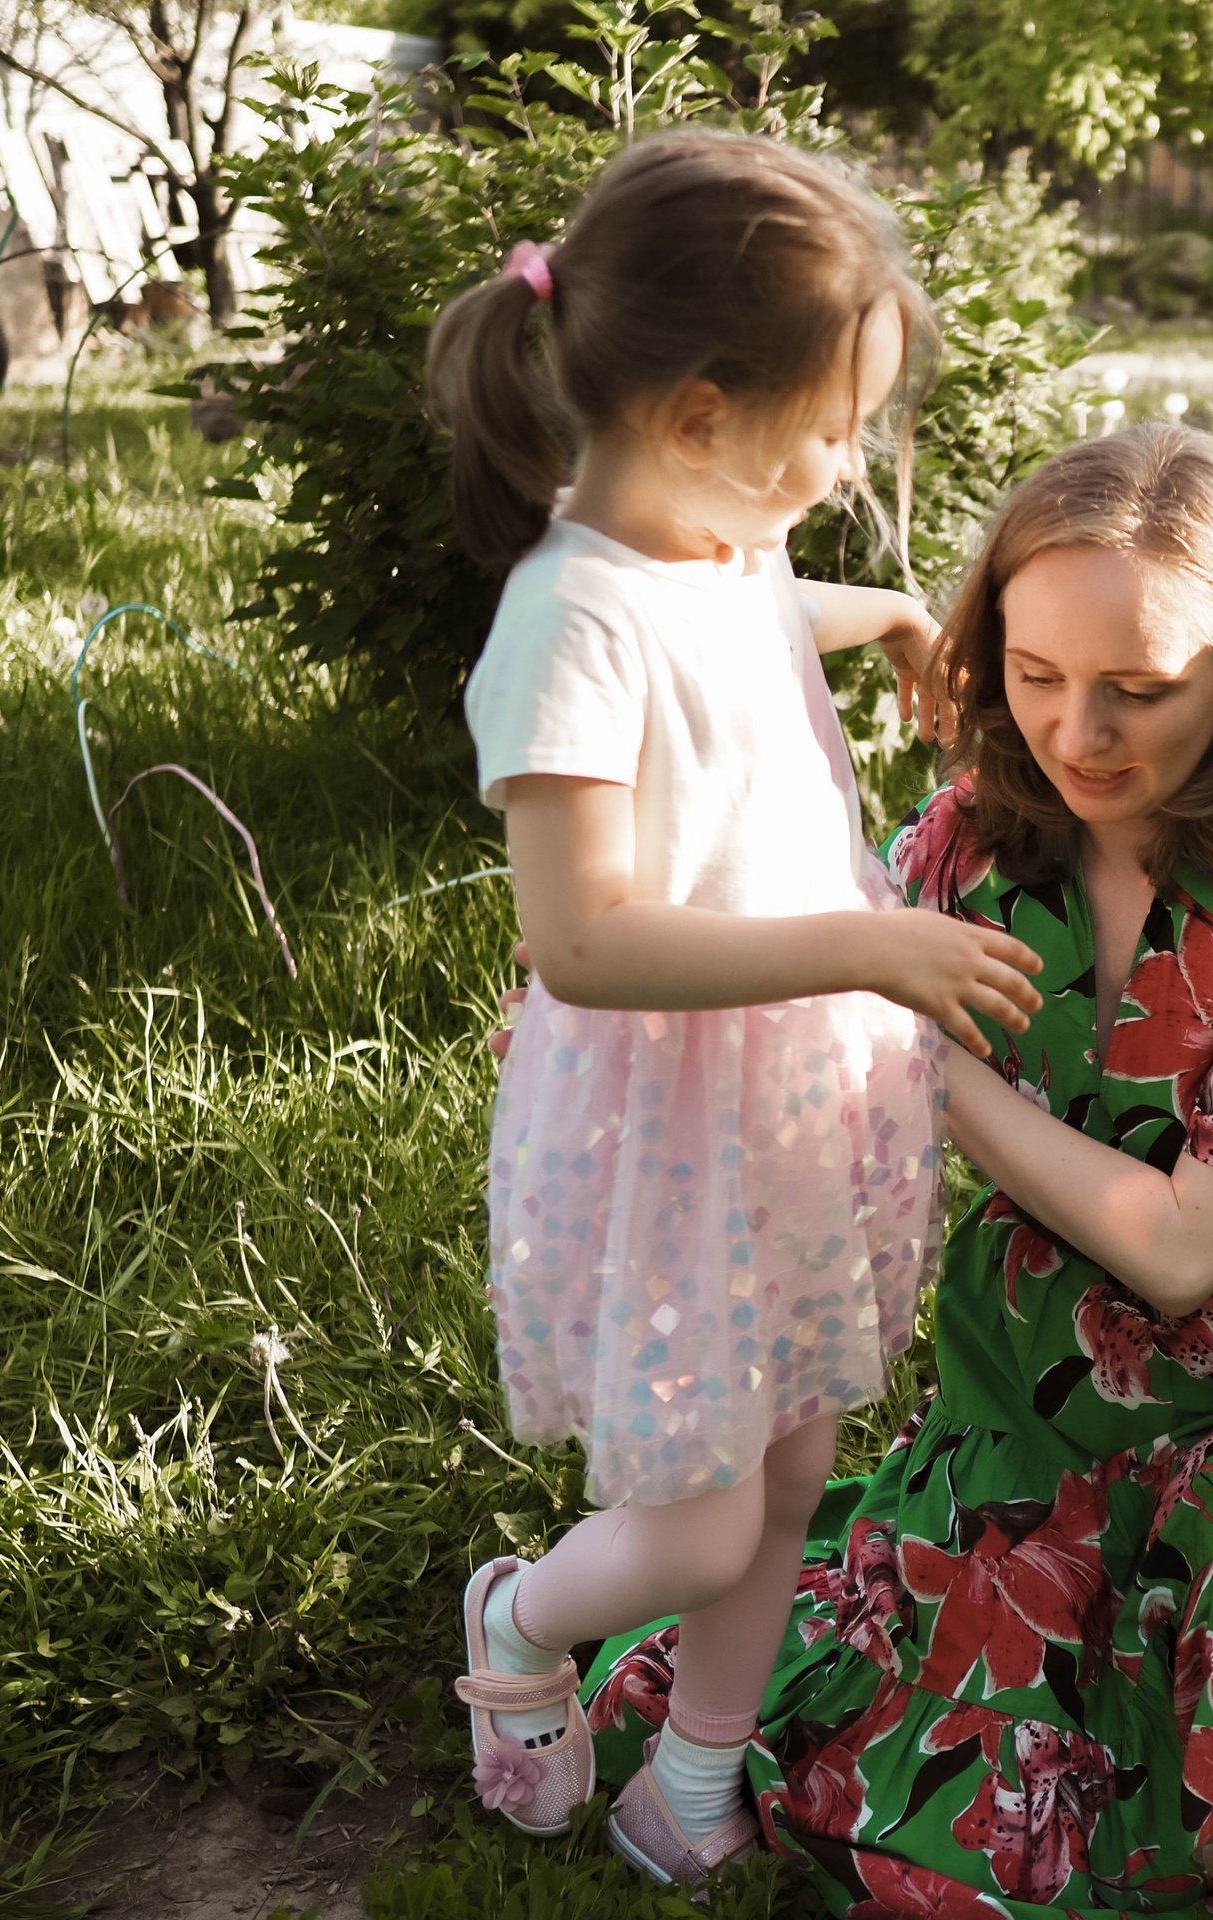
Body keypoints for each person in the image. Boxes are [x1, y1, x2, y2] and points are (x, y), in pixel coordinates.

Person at [580, 424, 1213, 1915]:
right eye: (1035, 676)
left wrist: (914, 1052)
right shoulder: (968, 844)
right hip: (1019, 1394)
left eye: (1139, 688)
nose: (1078, 733)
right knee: (891, 1769)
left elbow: (1181, 1251)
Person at [434, 133, 1045, 1887]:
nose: (846, 464)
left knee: (787, 1464)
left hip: (786, 1108)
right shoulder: (567, 622)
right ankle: (530, 1619)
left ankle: (699, 1761)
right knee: (698, 1512)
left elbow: (768, 616)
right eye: (833, 425)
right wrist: (863, 949)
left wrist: (899, 617)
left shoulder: (716, 543)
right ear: (704, 417)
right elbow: (585, 939)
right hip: (674, 1125)